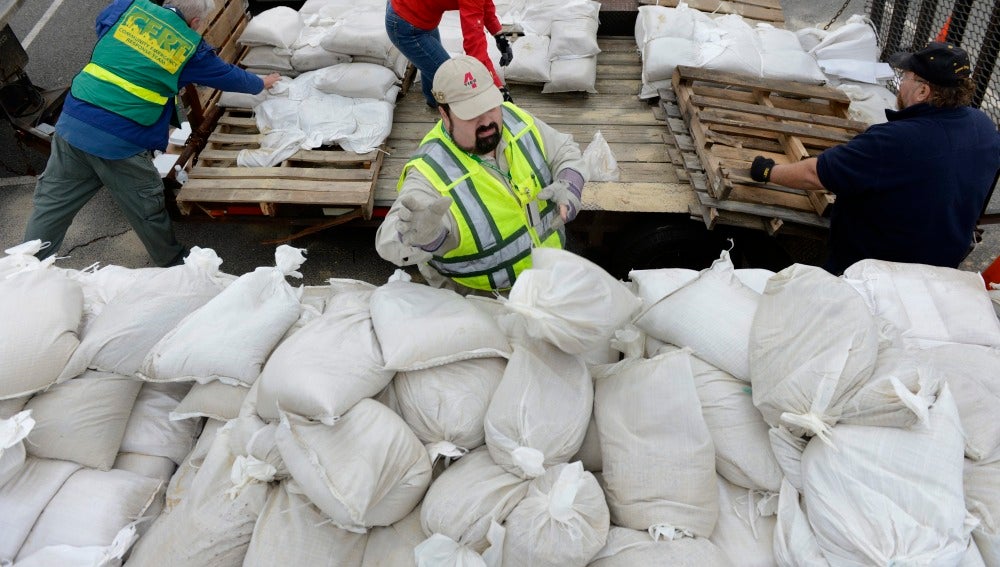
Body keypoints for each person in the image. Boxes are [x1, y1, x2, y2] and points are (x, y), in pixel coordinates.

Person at [23, 0, 280, 267]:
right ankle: (172, 262)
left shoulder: (129, 8)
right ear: (194, 23)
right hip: (120, 141)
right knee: (145, 205)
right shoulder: (188, 48)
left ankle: (25, 265)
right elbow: (227, 76)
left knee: (52, 203)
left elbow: (103, 23)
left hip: (73, 120)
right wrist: (261, 82)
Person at [749, 41, 1000, 275]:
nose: (900, 85)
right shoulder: (985, 128)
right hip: (941, 267)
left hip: (873, 269)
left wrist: (769, 171)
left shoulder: (894, 141)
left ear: (923, 90)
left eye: (905, 78)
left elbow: (814, 173)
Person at [375, 55, 586, 293]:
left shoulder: (515, 119)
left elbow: (564, 150)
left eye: (489, 107)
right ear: (444, 114)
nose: (487, 121)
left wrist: (570, 184)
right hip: (482, 301)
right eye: (471, 113)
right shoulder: (429, 171)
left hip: (548, 277)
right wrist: (425, 236)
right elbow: (389, 242)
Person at [385, 0, 513, 110]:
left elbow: (483, 3)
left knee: (432, 64)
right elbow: (475, 49)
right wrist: (497, 87)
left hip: (422, 14)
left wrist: (499, 36)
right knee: (451, 82)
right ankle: (444, 111)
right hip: (406, 23)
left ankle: (435, 103)